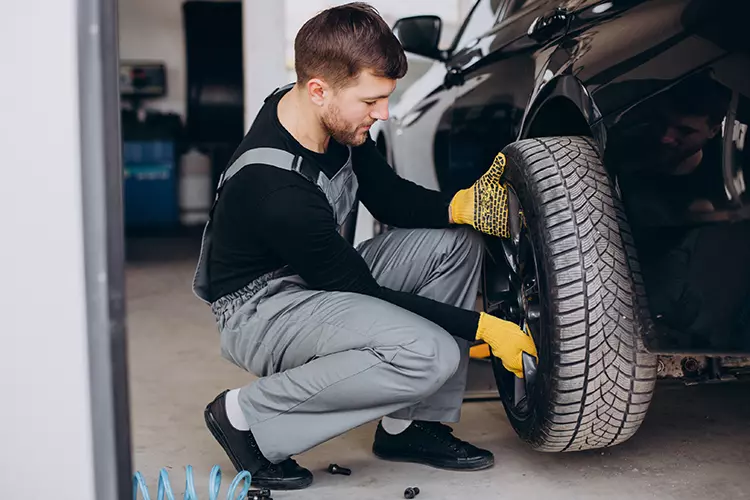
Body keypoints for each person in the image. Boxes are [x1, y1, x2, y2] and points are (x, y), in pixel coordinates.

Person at [191, 2, 537, 491]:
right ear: (318, 89)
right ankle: (247, 418)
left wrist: (458, 206)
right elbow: (360, 288)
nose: (384, 113)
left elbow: (386, 197)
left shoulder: (324, 118)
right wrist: (483, 326)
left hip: (318, 279)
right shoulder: (274, 188)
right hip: (260, 310)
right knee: (429, 352)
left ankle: (410, 425)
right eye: (372, 100)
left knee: (455, 242)